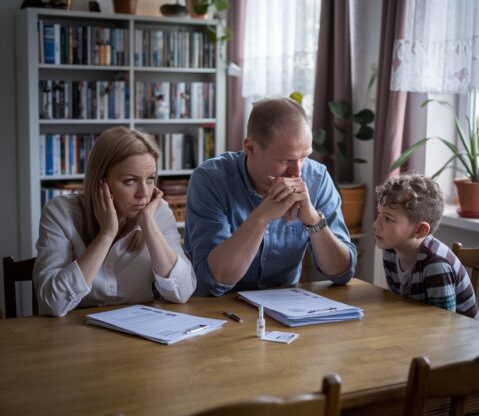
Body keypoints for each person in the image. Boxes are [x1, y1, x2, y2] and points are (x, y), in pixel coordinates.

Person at [185, 97, 357, 296]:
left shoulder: (317, 178)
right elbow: (214, 280)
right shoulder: (210, 180)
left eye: (304, 157)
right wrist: (262, 217)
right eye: (285, 160)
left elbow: (342, 273)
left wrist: (313, 220)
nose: (297, 172)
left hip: (285, 309)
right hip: (217, 308)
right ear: (251, 148)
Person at [34, 127, 196, 316]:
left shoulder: (157, 212)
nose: (144, 193)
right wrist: (106, 234)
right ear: (101, 181)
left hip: (140, 332)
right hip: (75, 335)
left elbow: (183, 292)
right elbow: (52, 303)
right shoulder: (61, 212)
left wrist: (148, 223)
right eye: (130, 181)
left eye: (150, 179)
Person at [374, 173, 479, 319]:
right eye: (379, 214)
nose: (375, 224)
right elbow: (398, 305)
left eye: (387, 218)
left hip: (460, 339)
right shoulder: (390, 251)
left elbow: (443, 325)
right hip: (417, 328)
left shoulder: (436, 266)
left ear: (419, 230)